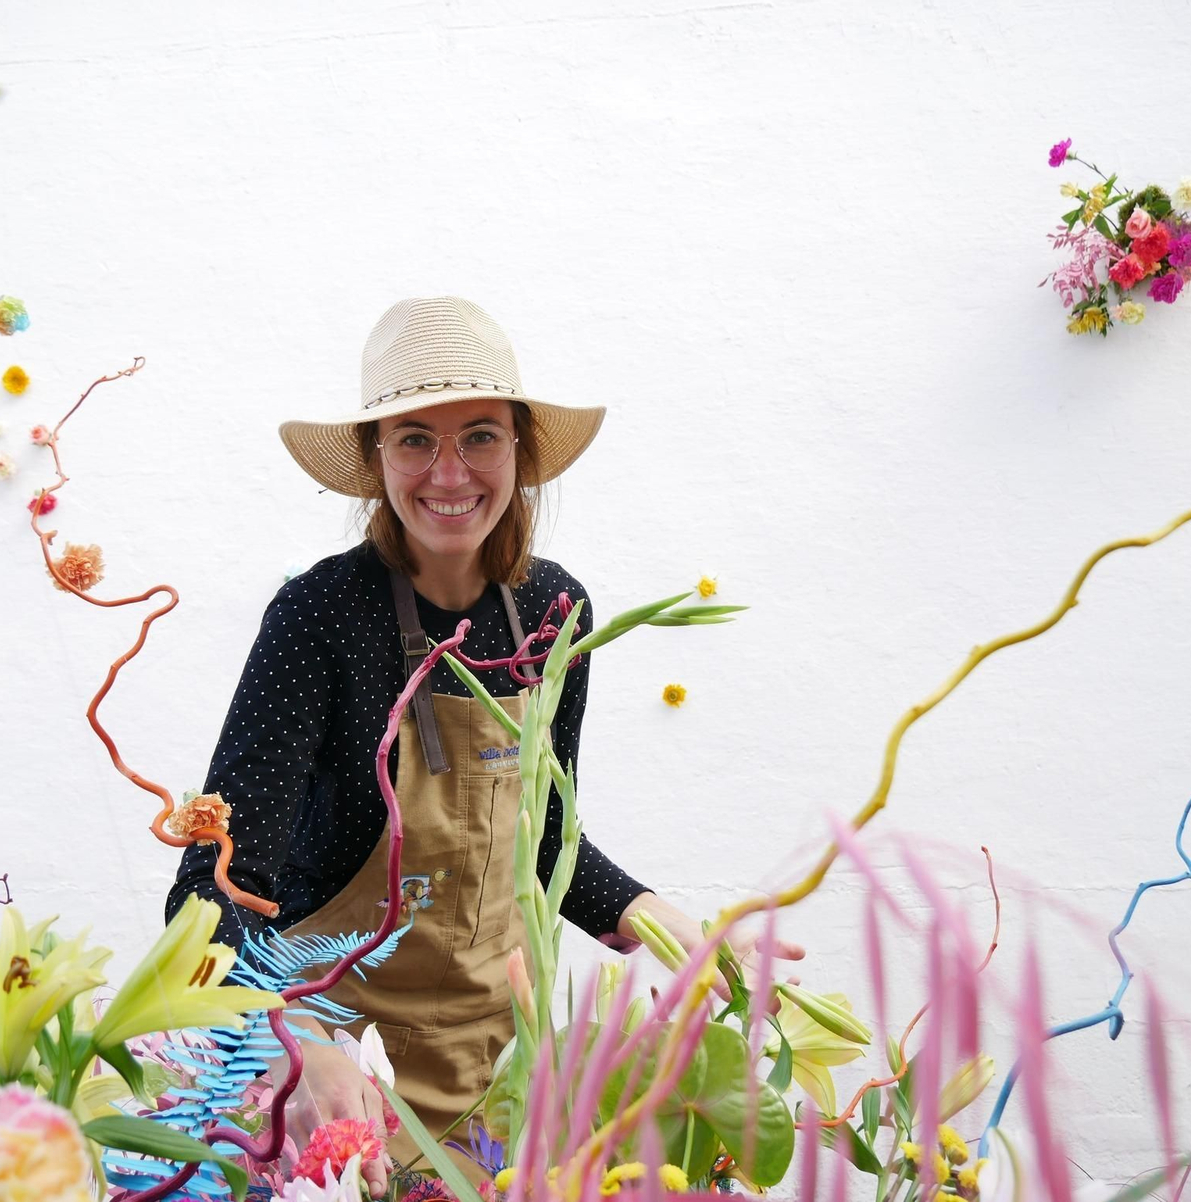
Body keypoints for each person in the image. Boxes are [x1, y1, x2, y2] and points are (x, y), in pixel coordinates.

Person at [166, 297, 802, 1194]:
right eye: (415, 438)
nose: (450, 471)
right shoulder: (318, 619)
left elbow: (540, 839)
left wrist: (664, 921)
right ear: (375, 457)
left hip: (496, 1066)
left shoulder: (554, 614)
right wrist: (294, 1043)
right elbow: (213, 885)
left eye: (481, 436)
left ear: (521, 453)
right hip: (335, 1073)